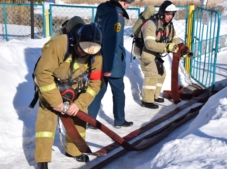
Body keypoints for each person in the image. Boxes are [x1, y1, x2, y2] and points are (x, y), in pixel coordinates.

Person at [34, 23, 103, 168]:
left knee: (79, 122)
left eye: (89, 52)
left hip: (75, 91)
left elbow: (95, 84)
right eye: (82, 49)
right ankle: (42, 159)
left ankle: (74, 151)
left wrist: (79, 104)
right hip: (52, 87)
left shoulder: (96, 54)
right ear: (76, 41)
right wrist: (55, 102)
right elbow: (42, 73)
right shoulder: (61, 44)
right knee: (46, 124)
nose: (84, 54)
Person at [87, 0, 134, 129]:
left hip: (98, 58)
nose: (129, 5)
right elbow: (111, 42)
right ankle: (119, 120)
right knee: (118, 91)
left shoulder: (102, 9)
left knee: (99, 90)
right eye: (128, 2)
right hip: (112, 61)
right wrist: (109, 67)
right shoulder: (117, 15)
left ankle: (90, 120)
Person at [137, 0, 181, 109]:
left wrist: (181, 50)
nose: (170, 17)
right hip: (145, 53)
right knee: (152, 74)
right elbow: (149, 44)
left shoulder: (169, 26)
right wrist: (167, 47)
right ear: (162, 13)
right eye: (168, 14)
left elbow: (175, 39)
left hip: (156, 53)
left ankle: (154, 96)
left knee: (162, 74)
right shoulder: (151, 24)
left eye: (172, 14)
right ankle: (146, 100)